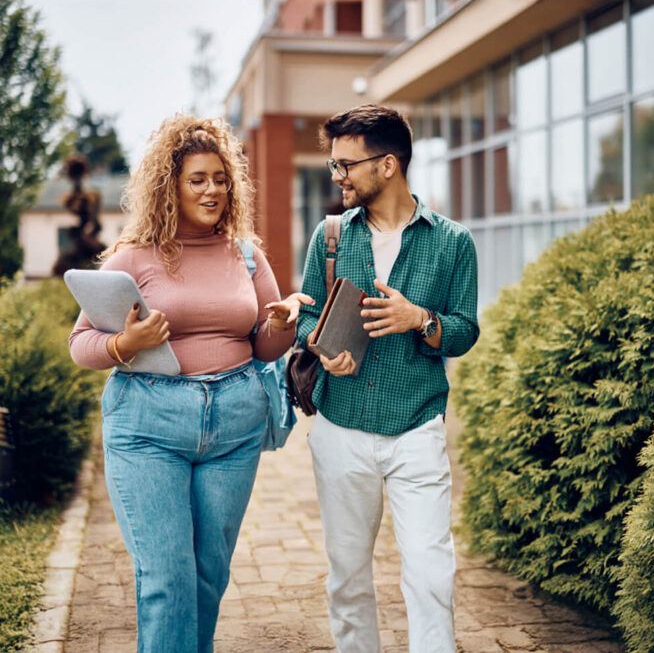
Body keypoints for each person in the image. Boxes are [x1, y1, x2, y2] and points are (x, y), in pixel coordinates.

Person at [69, 114, 312, 653]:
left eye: (221, 179)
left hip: (235, 426)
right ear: (170, 186)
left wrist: (280, 325)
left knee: (207, 575)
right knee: (167, 579)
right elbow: (81, 344)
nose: (213, 190)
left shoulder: (245, 254)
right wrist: (125, 345)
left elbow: (263, 348)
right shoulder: (135, 255)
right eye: (198, 179)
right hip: (149, 428)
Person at [297, 104, 479, 653]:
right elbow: (309, 313)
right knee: (348, 578)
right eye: (334, 165)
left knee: (430, 574)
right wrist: (324, 347)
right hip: (341, 427)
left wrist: (420, 320)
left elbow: (465, 329)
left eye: (346, 165)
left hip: (416, 427)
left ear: (388, 166)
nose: (337, 176)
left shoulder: (452, 243)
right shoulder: (329, 237)